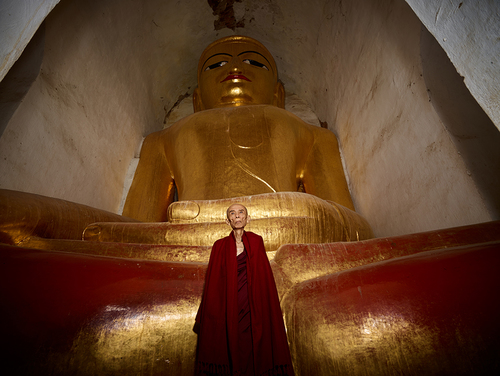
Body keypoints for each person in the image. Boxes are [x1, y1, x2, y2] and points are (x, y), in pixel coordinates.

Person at [195, 203, 294, 375]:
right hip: (228, 305)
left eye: (241, 212)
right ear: (228, 221)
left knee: (252, 346)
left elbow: (264, 278)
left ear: (248, 218)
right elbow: (214, 282)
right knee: (229, 344)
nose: (237, 216)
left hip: (252, 305)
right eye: (232, 213)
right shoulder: (219, 246)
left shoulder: (256, 242)